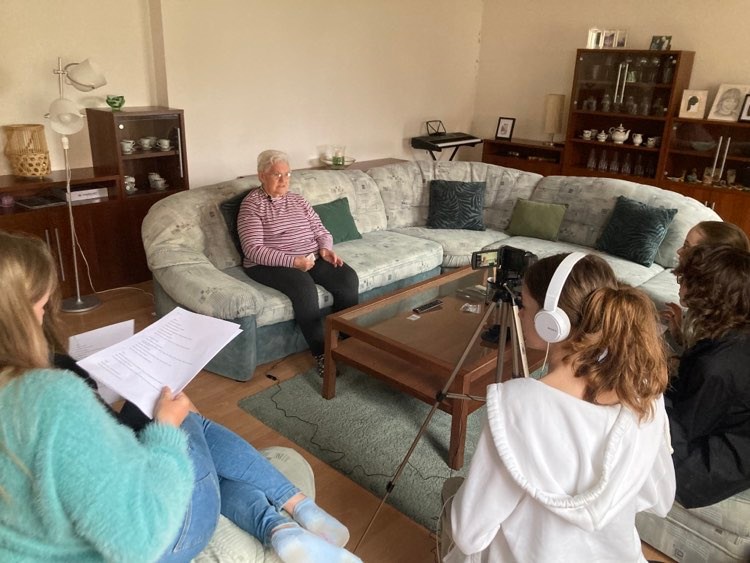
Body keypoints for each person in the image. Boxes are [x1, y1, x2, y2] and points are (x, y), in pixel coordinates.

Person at [0, 230, 360, 563]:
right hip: (169, 539)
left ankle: (281, 528)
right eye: (41, 306)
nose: (46, 315)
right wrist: (167, 432)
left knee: (151, 408)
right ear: (15, 314)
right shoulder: (49, 395)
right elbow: (141, 539)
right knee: (182, 415)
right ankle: (294, 507)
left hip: (80, 525)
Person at [441, 253, 675, 562]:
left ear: (552, 323)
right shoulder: (644, 394)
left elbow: (468, 533)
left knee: (452, 500)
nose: (518, 313)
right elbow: (657, 497)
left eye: (524, 304)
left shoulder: (517, 407)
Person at [237, 150, 359, 377]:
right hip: (268, 264)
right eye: (277, 175)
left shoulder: (298, 200)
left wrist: (325, 249)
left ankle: (348, 339)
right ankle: (322, 354)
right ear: (262, 176)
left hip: (310, 256)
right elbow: (253, 250)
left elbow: (321, 230)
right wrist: (293, 262)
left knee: (346, 277)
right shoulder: (252, 205)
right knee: (304, 289)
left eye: (287, 174)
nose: (284, 180)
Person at [666, 245, 750, 508]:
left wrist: (652, 380)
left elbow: (685, 428)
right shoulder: (734, 330)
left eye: (684, 281)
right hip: (723, 425)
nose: (680, 287)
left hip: (711, 466)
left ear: (708, 294)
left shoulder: (717, 367)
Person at [661, 221, 750, 346]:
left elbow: (704, 354)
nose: (679, 251)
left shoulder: (726, 326)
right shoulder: (711, 302)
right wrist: (678, 332)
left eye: (686, 246)